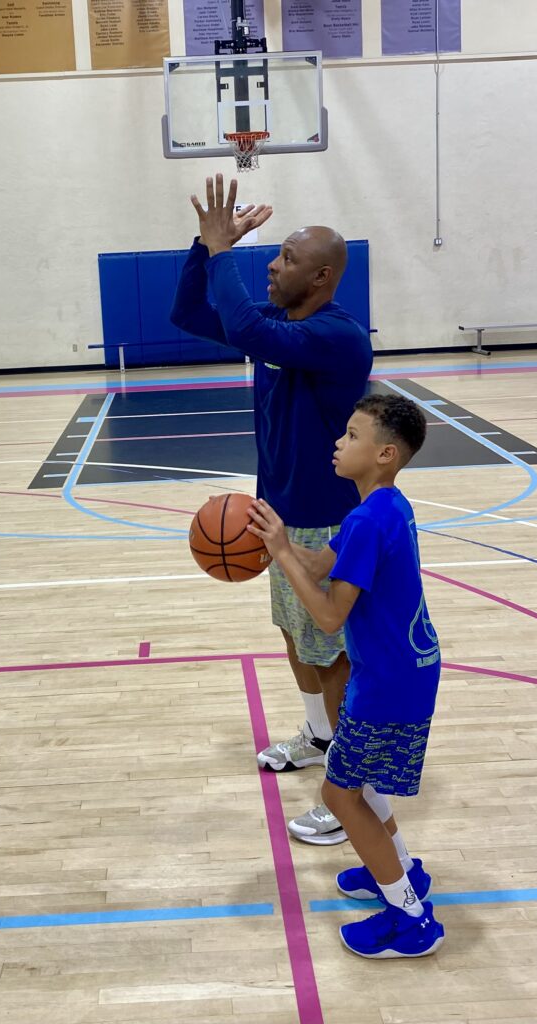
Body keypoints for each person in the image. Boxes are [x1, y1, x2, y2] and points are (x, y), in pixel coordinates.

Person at [170, 174, 373, 844]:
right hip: (278, 511)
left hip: (325, 520)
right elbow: (192, 313)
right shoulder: (280, 325)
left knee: (334, 652)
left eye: (284, 257)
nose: (272, 264)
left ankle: (354, 790)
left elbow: (242, 325)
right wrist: (205, 251)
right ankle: (318, 735)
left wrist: (225, 253)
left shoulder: (335, 336)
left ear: (319, 276)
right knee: (296, 638)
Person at [247, 393, 445, 959]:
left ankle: (411, 920)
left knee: (340, 794)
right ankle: (404, 871)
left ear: (384, 453)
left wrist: (283, 554)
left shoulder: (364, 519)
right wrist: (280, 540)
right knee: (362, 783)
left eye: (352, 436)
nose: (339, 442)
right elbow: (326, 564)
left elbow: (330, 614)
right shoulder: (386, 506)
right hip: (401, 670)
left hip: (388, 680)